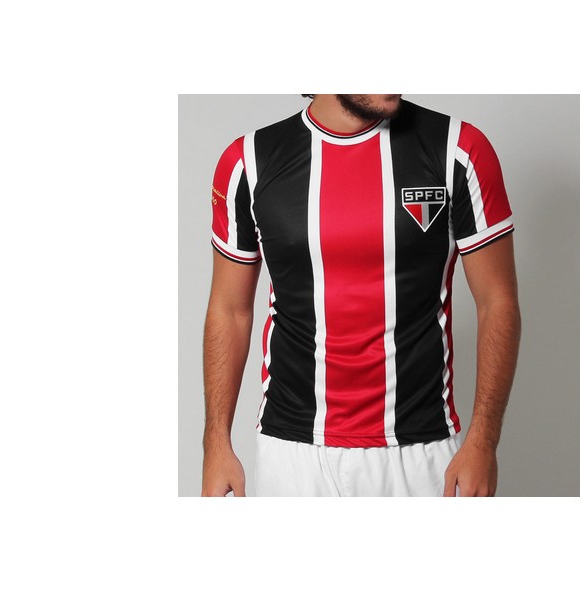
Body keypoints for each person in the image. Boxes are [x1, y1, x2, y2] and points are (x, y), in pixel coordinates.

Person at [201, 94, 521, 497]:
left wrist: (483, 442)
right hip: (291, 453)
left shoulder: (457, 149)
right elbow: (229, 310)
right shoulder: (248, 162)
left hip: (420, 451)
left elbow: (497, 302)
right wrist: (216, 443)